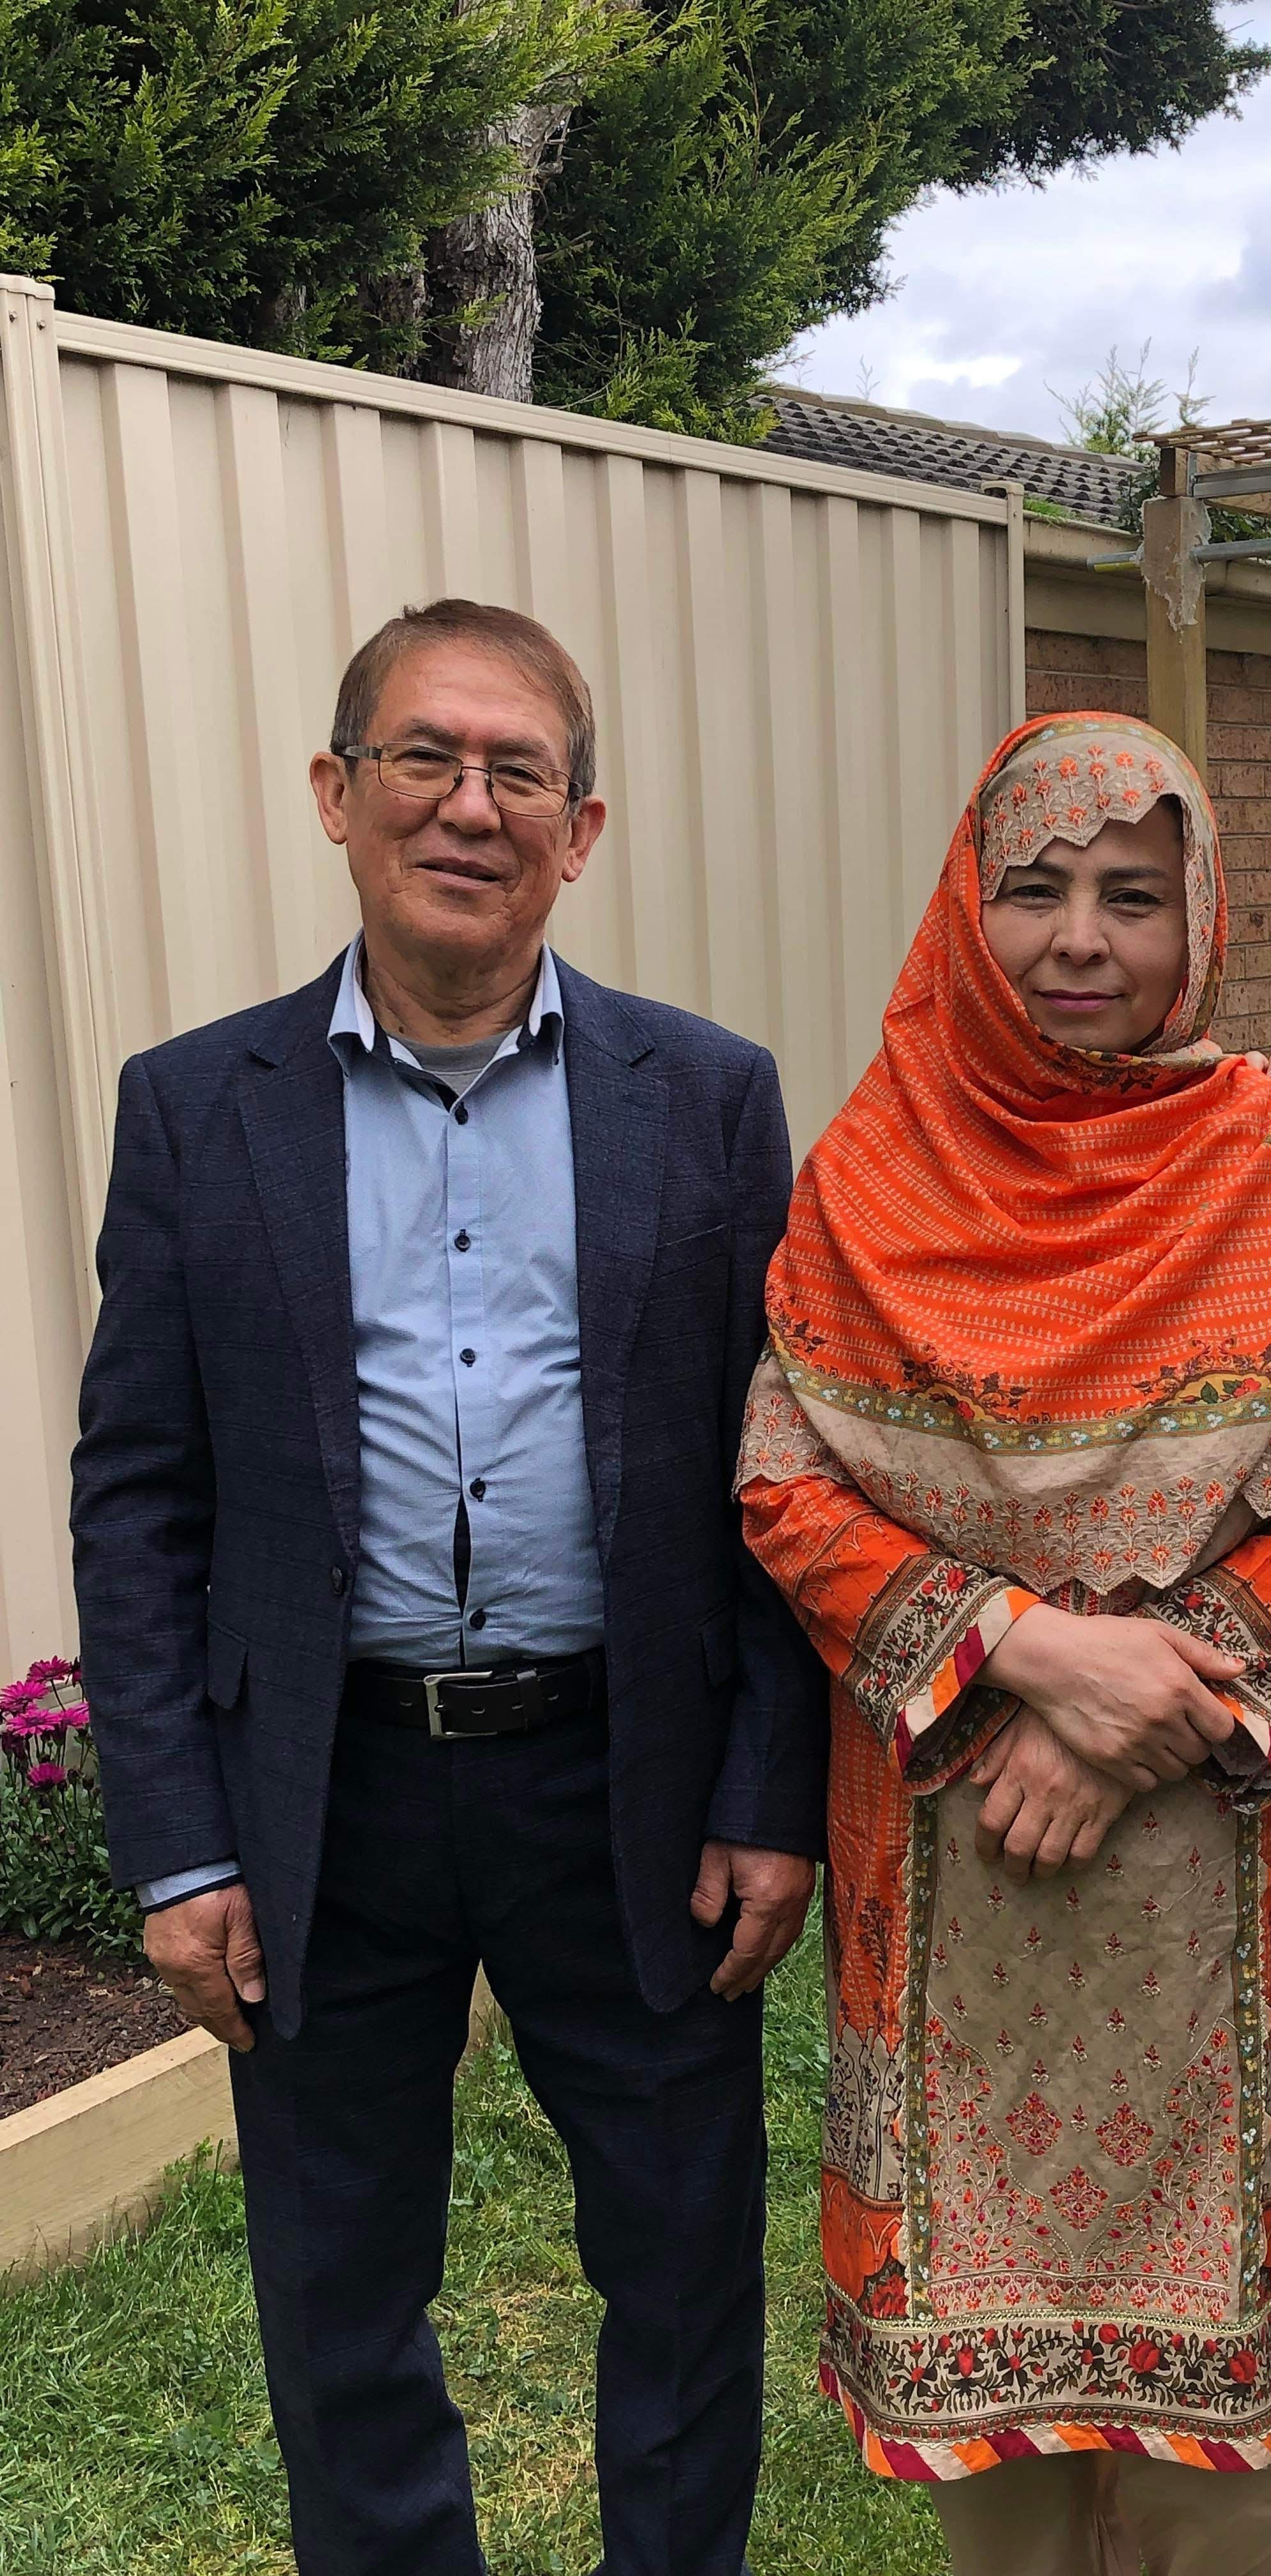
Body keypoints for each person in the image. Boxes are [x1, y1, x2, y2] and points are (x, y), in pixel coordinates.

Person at [70, 598, 827, 2576]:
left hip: (629, 1788)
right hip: (332, 1798)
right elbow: (141, 1497)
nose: (467, 806)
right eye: (424, 757)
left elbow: (779, 1475)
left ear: (583, 832)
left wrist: (769, 1794)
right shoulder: (195, 1108)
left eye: (519, 773)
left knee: (680, 2275)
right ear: (337, 795)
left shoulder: (712, 1099)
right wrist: (174, 1846)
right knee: (339, 2302)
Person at [736, 713, 1271, 2576]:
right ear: (970, 904)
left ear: (1205, 916)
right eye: (1036, 892)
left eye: (1136, 893)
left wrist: (1133, 1713)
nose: (1085, 941)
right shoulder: (873, 1168)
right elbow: (790, 1488)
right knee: (1005, 2509)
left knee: (1250, 2493)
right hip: (958, 1873)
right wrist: (1028, 1650)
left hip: (1222, 1853)